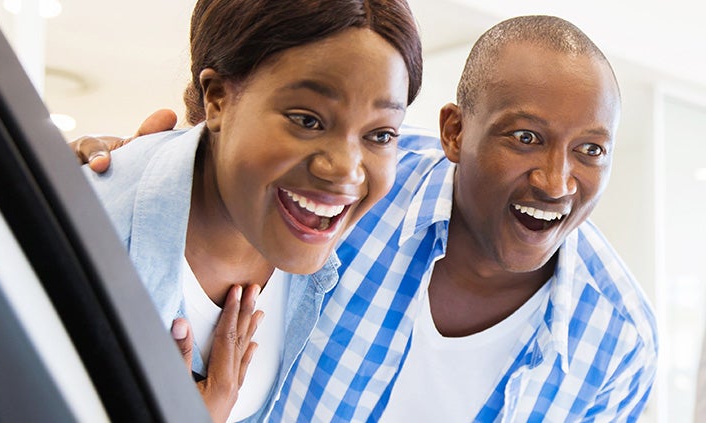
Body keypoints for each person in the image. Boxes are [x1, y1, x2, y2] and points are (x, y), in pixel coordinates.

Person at [77, 15, 657, 422]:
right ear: (454, 132)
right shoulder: (359, 193)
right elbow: (232, 173)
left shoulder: (620, 343)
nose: (556, 181)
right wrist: (135, 164)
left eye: (592, 150)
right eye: (525, 137)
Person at [80, 0, 423, 422]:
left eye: (381, 134)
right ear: (218, 99)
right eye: (308, 120)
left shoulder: (316, 242)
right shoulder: (88, 240)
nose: (345, 171)